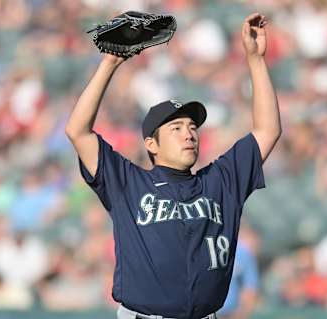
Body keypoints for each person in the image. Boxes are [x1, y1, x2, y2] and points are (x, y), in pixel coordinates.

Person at [66, 12, 281, 319]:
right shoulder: (128, 183)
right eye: (176, 128)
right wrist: (110, 63)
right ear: (151, 144)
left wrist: (256, 61)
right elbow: (78, 131)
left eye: (192, 126)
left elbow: (267, 130)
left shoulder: (220, 182)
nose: (188, 133)